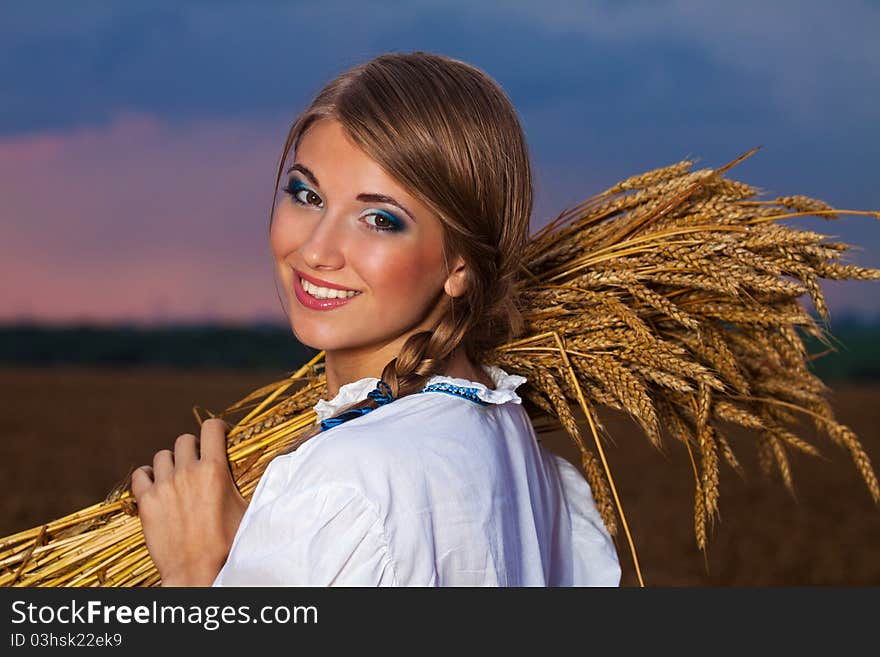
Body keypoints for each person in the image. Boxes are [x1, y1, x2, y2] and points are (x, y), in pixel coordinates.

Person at [130, 51, 622, 587]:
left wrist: (195, 572)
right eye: (307, 194)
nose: (317, 249)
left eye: (378, 219)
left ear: (460, 265)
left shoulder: (342, 487)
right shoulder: (514, 445)